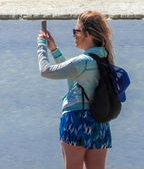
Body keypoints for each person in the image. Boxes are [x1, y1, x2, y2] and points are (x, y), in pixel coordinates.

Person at [37, 10, 114, 169]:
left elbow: (45, 70)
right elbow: (74, 75)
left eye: (76, 31)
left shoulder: (83, 61)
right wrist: (54, 50)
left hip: (76, 121)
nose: (73, 35)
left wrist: (41, 46)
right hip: (99, 122)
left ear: (88, 35)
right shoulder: (105, 58)